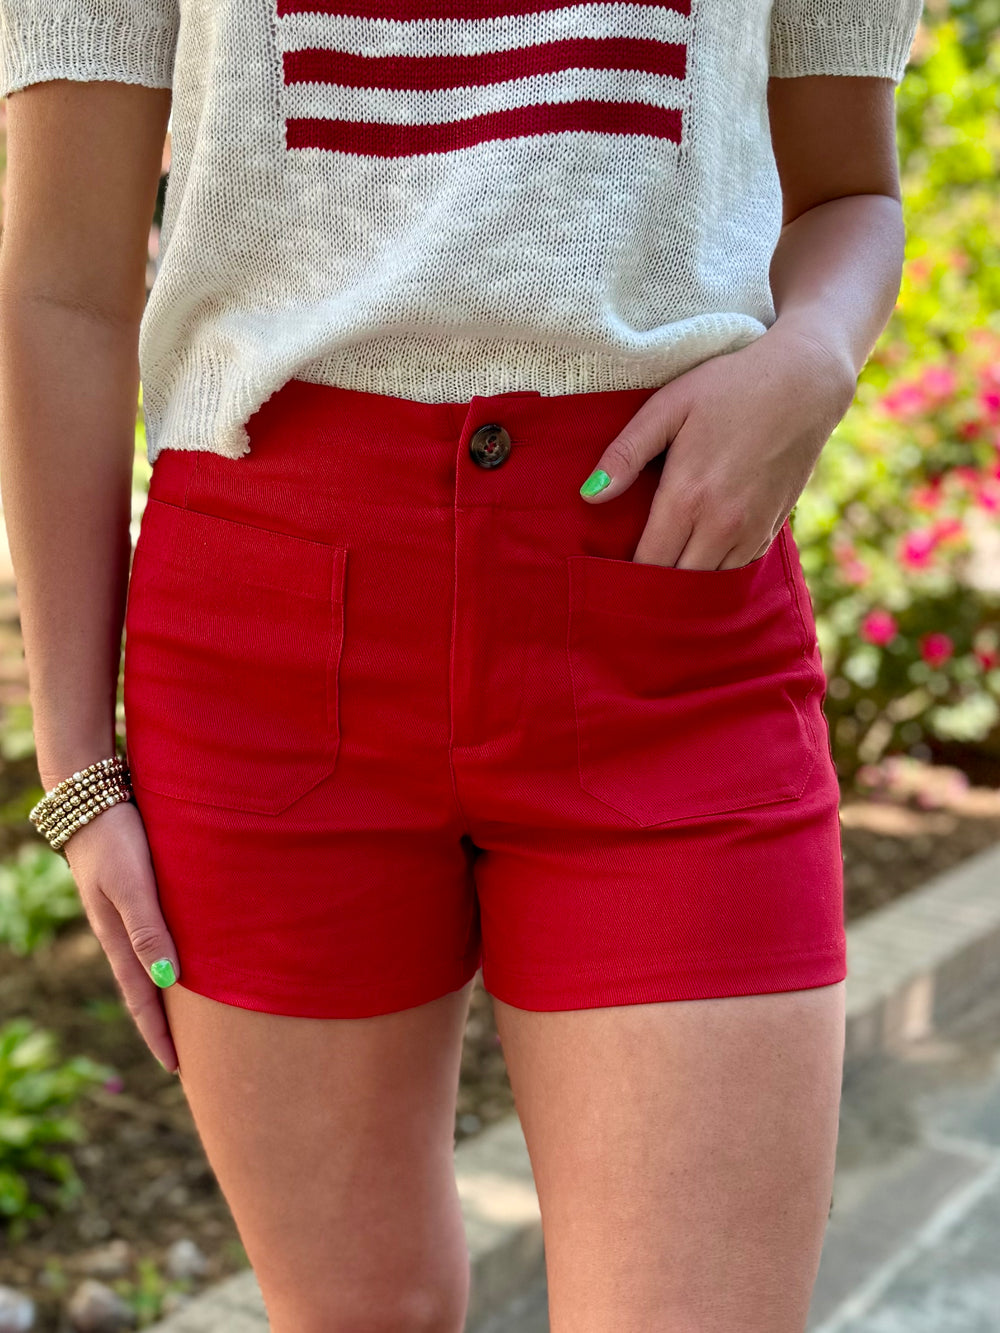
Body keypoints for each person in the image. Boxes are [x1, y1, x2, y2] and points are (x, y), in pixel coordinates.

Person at [0, 1, 924, 1329]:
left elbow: (851, 192)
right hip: (264, 652)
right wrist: (78, 767)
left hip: (666, 619)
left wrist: (814, 353)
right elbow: (62, 285)